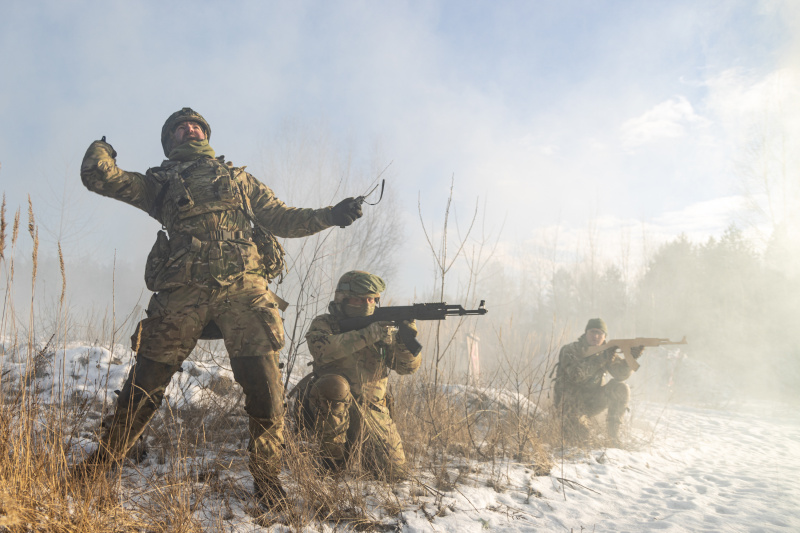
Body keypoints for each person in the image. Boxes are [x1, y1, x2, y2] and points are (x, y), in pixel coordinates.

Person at [76, 107, 363, 508]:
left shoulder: (238, 179)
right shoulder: (159, 182)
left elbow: (282, 217)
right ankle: (102, 464)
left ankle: (266, 479)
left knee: (266, 390)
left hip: (245, 290)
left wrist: (331, 215)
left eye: (196, 125)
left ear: (206, 134)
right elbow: (99, 177)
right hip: (181, 291)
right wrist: (102, 147)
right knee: (144, 385)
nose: (190, 128)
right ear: (170, 140)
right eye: (181, 127)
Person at [296, 271, 421, 480]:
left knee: (393, 474)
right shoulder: (326, 323)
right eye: (359, 299)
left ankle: (357, 452)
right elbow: (322, 350)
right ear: (342, 299)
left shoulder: (383, 329)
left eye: (371, 299)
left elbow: (407, 368)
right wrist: (369, 334)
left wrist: (405, 338)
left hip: (372, 409)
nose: (366, 304)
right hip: (331, 406)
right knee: (334, 386)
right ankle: (330, 462)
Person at [552, 318, 641, 446]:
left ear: (605, 336)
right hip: (569, 405)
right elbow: (576, 376)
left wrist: (630, 358)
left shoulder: (606, 352)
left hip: (592, 402)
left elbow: (620, 375)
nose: (596, 336)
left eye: (600, 333)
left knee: (621, 388)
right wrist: (600, 360)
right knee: (580, 439)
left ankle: (613, 439)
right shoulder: (570, 350)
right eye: (593, 332)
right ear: (586, 333)